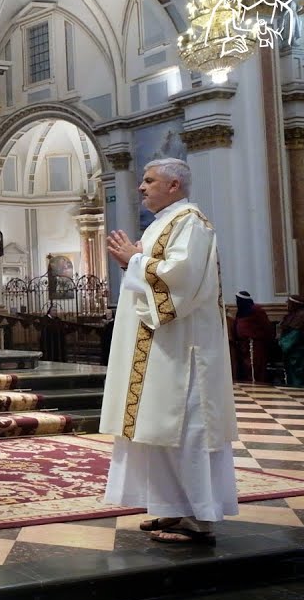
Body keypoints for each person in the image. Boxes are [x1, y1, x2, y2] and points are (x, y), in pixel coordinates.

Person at [100, 158, 237, 545]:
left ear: (174, 185)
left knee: (187, 428)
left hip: (184, 349)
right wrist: (137, 260)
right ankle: (171, 508)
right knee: (159, 427)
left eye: (149, 180)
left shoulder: (191, 222)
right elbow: (154, 272)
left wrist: (135, 260)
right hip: (160, 347)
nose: (141, 187)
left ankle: (198, 516)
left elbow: (184, 278)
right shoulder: (164, 222)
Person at [228, 291, 273, 384]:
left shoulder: (256, 310)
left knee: (253, 367)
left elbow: (266, 327)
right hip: (243, 345)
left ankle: (256, 386)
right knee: (245, 368)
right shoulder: (240, 312)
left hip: (253, 345)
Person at [278, 295, 304, 386]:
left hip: (298, 352)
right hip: (291, 352)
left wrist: (283, 344)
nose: (287, 305)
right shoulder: (291, 315)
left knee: (298, 376)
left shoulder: (302, 315)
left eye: (288, 303)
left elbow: (294, 335)